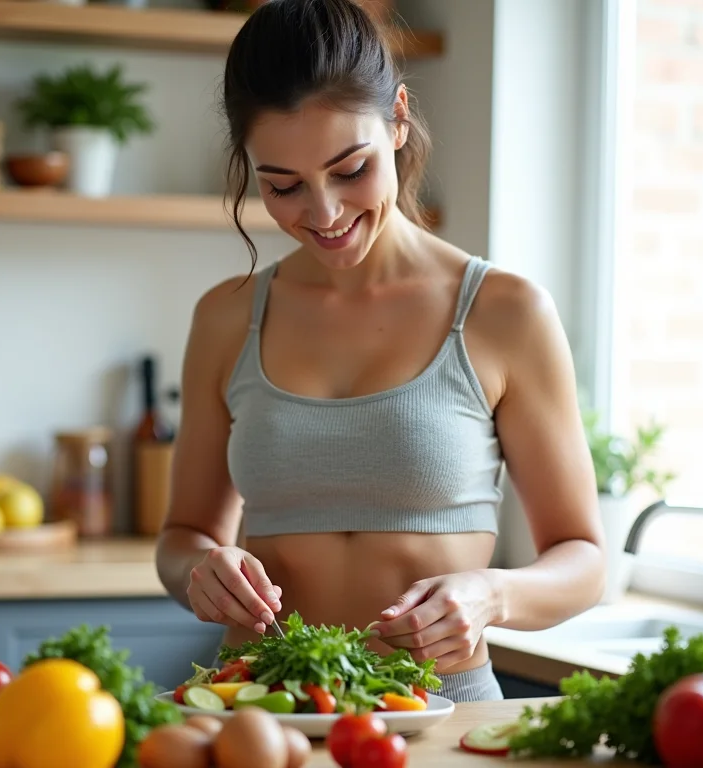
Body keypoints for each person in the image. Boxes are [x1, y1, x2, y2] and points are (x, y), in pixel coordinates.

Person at [154, 0, 606, 703]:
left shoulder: (504, 313)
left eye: (350, 168)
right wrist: (201, 569)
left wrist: (492, 595)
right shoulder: (225, 317)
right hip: (260, 709)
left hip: (439, 708)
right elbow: (183, 535)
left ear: (398, 118)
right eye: (282, 186)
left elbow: (584, 560)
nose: (324, 213)